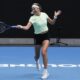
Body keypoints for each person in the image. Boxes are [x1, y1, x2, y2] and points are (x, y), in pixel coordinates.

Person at [17, 3, 61, 79]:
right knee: (37, 56)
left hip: (45, 36)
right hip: (37, 37)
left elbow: (52, 23)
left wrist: (55, 16)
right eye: (32, 8)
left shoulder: (44, 14)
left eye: (34, 8)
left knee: (43, 52)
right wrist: (21, 26)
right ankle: (37, 61)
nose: (33, 9)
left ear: (39, 8)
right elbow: (27, 28)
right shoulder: (32, 18)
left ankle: (45, 72)